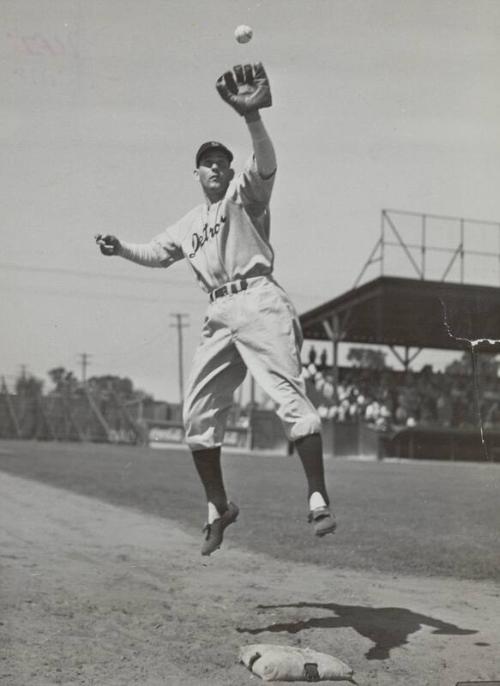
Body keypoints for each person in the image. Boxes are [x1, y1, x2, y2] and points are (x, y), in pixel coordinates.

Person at [96, 63, 336, 556]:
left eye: (222, 160)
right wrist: (120, 248)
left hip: (259, 298)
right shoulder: (189, 223)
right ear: (196, 171)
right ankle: (218, 507)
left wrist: (252, 118)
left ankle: (317, 495)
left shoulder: (242, 195)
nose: (216, 166)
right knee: (196, 414)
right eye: (208, 161)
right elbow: (157, 253)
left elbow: (267, 164)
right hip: (218, 313)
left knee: (289, 397)